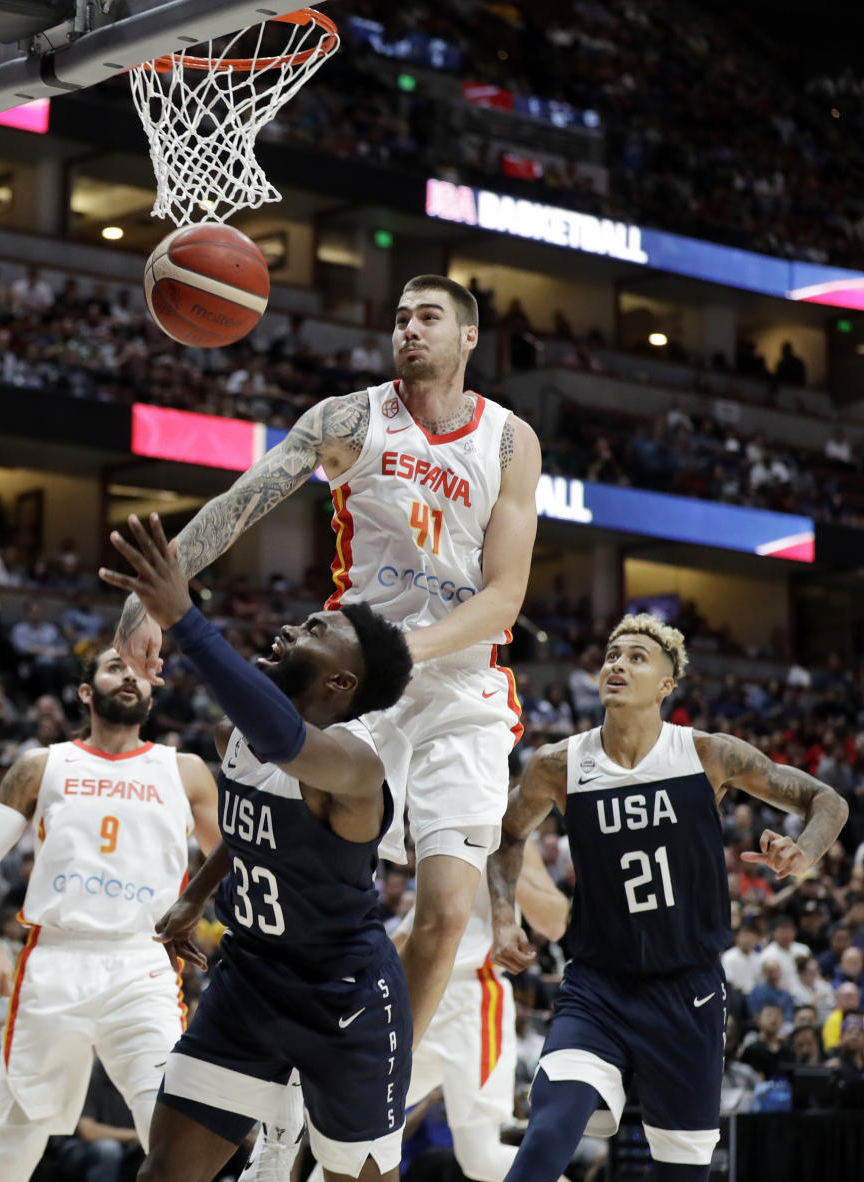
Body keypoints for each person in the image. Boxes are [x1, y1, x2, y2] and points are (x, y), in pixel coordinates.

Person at [113, 274, 540, 1054]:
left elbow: (505, 597)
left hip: (460, 686)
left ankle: (375, 1083)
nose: (409, 328)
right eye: (401, 316)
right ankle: (278, 1085)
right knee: (307, 872)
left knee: (445, 914)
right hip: (354, 682)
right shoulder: (350, 418)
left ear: (469, 337)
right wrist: (153, 595)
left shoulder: (510, 440)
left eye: (429, 317)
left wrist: (402, 651)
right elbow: (242, 502)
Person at [97, 513, 415, 1182]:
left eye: (318, 631)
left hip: (346, 1002)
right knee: (164, 1173)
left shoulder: (356, 769)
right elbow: (249, 829)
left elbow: (285, 742)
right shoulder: (235, 739)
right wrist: (194, 899)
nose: (293, 628)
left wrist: (185, 618)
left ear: (340, 685)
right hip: (249, 984)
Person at [488, 612, 849, 1182]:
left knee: (681, 1175)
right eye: (611, 654)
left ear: (665, 685)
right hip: (598, 987)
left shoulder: (708, 754)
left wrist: (801, 852)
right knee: (544, 1141)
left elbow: (827, 800)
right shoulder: (558, 765)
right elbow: (508, 835)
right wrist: (504, 918)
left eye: (636, 657)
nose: (617, 664)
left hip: (689, 992)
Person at [0, 644, 220, 1182]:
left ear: (152, 691)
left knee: (168, 1130)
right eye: (114, 667)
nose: (129, 677)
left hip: (143, 964)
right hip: (56, 961)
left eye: (140, 671)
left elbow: (237, 862)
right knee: (17, 1138)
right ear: (85, 690)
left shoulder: (184, 770)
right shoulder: (42, 765)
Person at [387, 839, 569, 1182]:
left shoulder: (503, 823)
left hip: (471, 999)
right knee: (358, 1129)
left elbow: (555, 922)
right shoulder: (436, 824)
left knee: (481, 1158)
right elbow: (408, 933)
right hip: (418, 992)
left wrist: (509, 866)